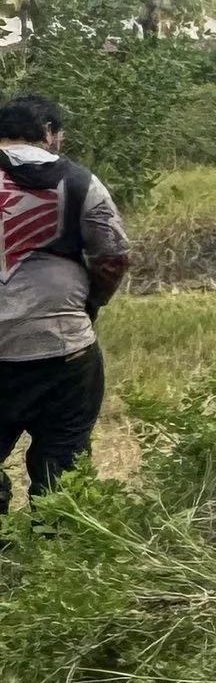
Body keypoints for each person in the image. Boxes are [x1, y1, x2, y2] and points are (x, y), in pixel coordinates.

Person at [0, 91, 132, 509]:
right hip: (63, 349)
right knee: (63, 460)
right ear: (51, 134)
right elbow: (113, 256)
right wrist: (88, 306)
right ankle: (55, 559)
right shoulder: (80, 182)